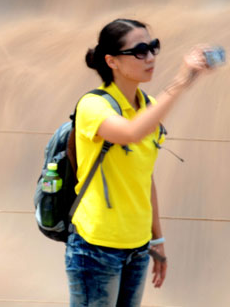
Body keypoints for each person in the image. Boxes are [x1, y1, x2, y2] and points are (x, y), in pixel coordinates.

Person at [66, 18, 213, 306]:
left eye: (153, 48)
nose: (150, 58)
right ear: (112, 61)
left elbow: (144, 177)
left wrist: (156, 240)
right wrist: (180, 82)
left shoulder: (147, 106)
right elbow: (131, 133)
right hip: (96, 248)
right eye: (140, 51)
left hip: (137, 247)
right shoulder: (93, 106)